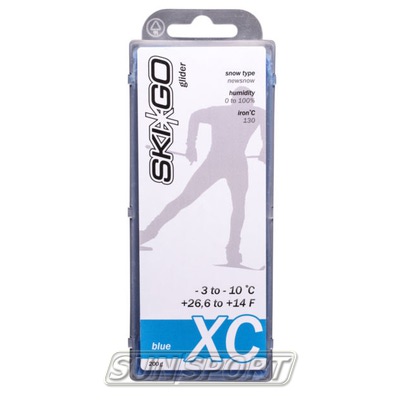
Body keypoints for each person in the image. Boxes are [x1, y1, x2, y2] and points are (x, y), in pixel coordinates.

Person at [140, 90, 266, 265]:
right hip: (219, 163)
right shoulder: (243, 112)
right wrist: (191, 146)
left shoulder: (252, 113)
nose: (245, 105)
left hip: (230, 164)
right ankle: (148, 234)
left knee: (236, 207)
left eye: (247, 102)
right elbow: (195, 116)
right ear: (234, 102)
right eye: (242, 101)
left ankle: (233, 251)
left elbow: (195, 116)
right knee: (187, 199)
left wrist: (265, 149)